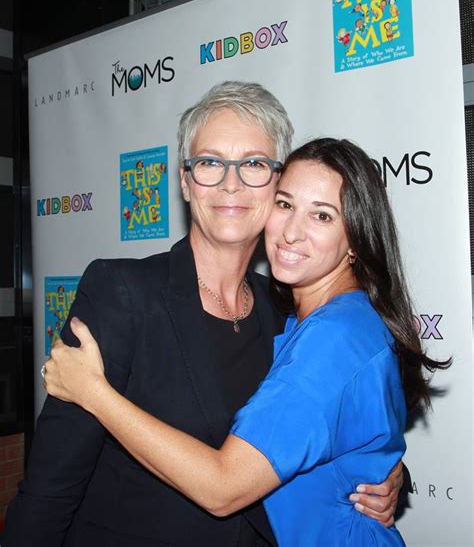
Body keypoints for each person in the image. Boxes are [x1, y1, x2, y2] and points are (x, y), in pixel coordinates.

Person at [5, 85, 403, 547]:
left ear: (278, 183)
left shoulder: (287, 313)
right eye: (210, 163)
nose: (230, 183)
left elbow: (328, 425)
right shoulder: (121, 293)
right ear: (184, 181)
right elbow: (51, 487)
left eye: (253, 164)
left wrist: (384, 475)